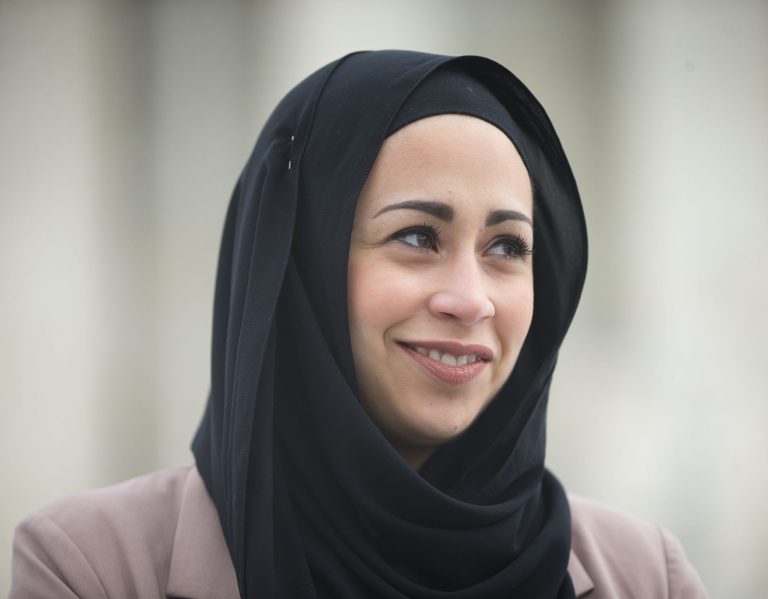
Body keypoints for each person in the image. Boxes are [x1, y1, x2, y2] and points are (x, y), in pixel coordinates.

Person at [9, 50, 708, 598]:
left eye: (506, 248)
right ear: (299, 264)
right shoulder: (92, 568)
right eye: (416, 236)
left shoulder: (647, 576)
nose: (470, 300)